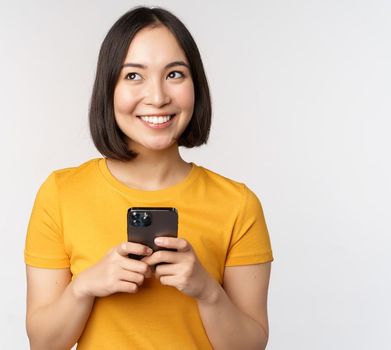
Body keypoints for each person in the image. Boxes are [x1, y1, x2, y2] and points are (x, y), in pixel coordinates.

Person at [24, 6, 273, 349]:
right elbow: (44, 343)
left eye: (174, 74)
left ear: (196, 85)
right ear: (108, 89)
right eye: (133, 76)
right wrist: (84, 287)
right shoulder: (60, 194)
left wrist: (206, 291)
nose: (157, 97)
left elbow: (251, 345)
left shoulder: (238, 204)